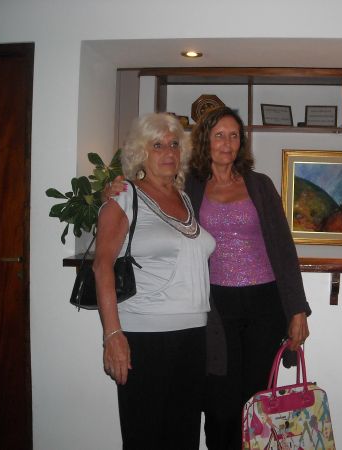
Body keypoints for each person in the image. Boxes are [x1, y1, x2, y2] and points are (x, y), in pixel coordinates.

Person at [187, 106, 311, 450]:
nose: (227, 143)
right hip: (216, 307)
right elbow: (155, 194)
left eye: (234, 136)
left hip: (264, 305)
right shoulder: (190, 187)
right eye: (219, 135)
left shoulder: (260, 185)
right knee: (219, 401)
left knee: (256, 400)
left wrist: (297, 310)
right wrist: (118, 189)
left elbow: (284, 248)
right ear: (205, 141)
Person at [93, 112, 215, 449]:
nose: (169, 152)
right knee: (145, 438)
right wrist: (112, 335)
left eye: (174, 144)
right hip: (145, 338)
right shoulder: (124, 196)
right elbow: (102, 266)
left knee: (184, 438)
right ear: (140, 153)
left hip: (193, 335)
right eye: (157, 145)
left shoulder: (185, 198)